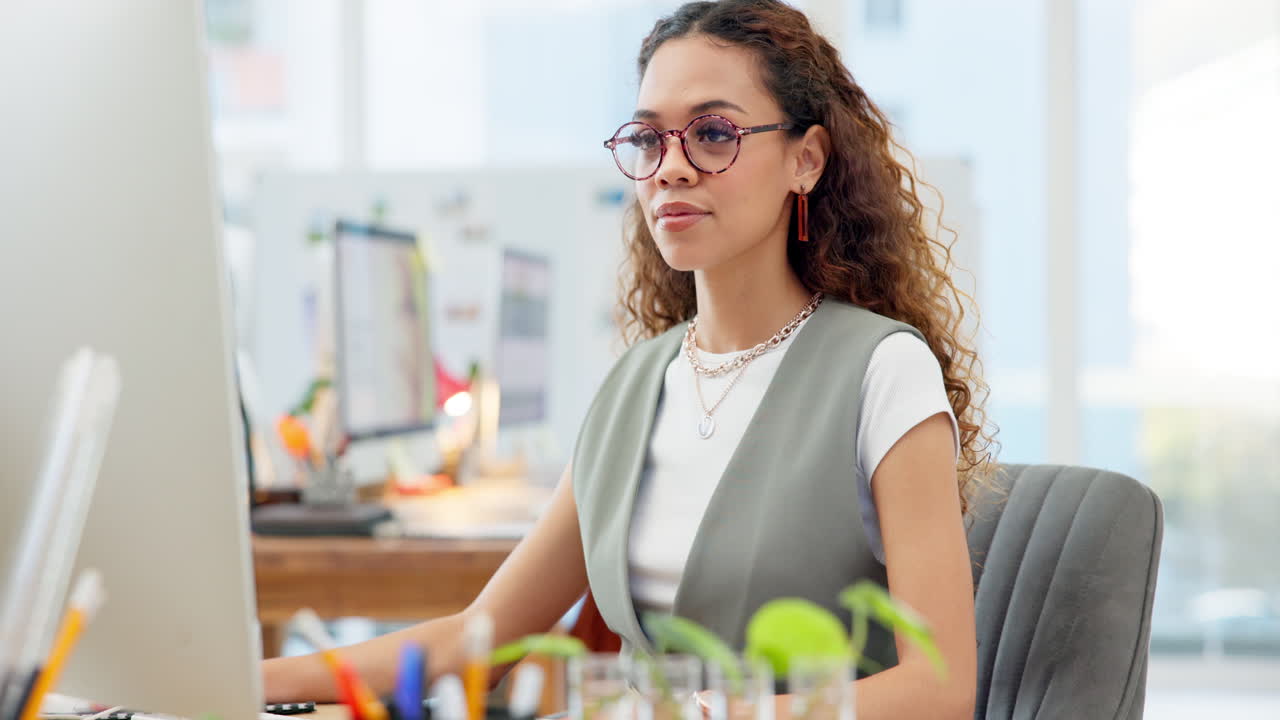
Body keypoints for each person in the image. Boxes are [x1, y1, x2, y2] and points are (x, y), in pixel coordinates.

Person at [264, 1, 995, 717]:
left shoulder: (883, 371)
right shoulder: (637, 385)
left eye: (712, 134)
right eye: (650, 140)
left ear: (805, 160)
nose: (671, 169)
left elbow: (939, 689)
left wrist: (726, 713)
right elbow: (474, 638)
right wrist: (251, 682)